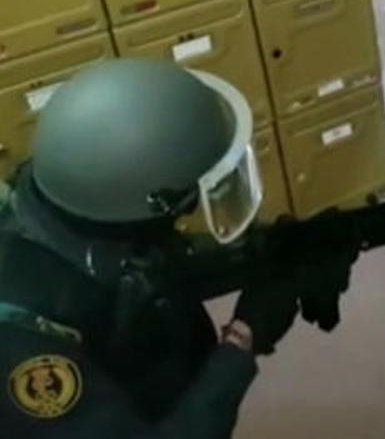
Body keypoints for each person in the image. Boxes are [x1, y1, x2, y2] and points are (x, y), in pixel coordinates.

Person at [0, 60, 305, 437]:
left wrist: (268, 255)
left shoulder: (67, 205)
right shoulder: (26, 347)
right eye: (185, 206)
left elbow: (145, 268)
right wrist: (242, 340)